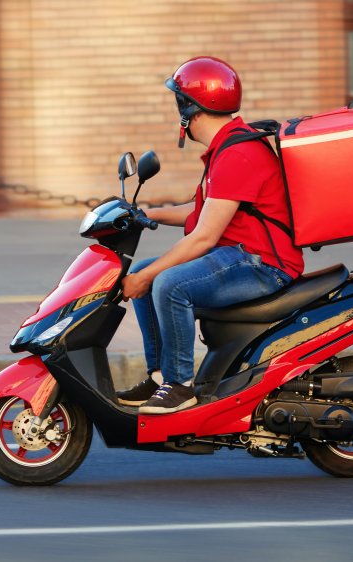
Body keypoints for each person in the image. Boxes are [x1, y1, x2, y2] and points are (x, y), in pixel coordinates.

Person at [116, 56, 305, 415]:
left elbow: (203, 237)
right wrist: (145, 215)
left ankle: (179, 386)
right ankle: (160, 378)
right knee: (147, 269)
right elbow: (201, 213)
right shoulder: (226, 149)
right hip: (239, 255)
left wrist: (145, 277)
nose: (177, 113)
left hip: (262, 264)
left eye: (179, 103)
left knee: (168, 282)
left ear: (190, 108)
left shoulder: (239, 154)